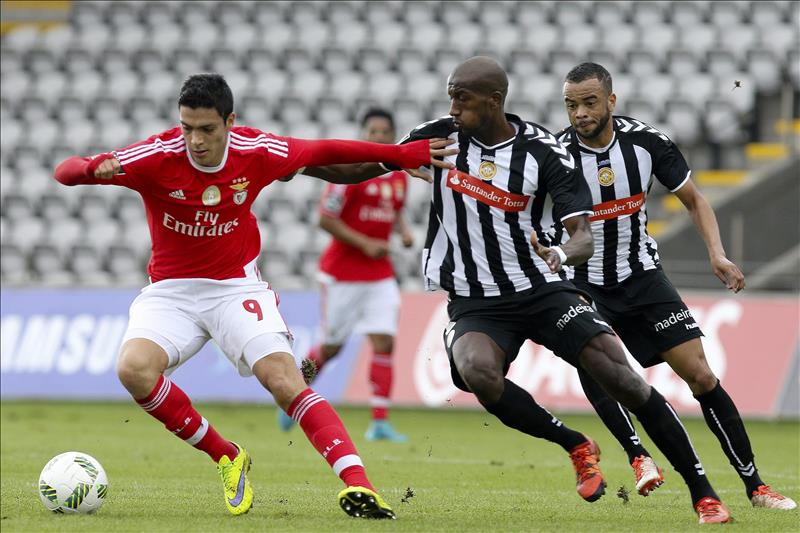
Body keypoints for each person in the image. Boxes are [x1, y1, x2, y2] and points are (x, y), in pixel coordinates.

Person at [302, 56, 734, 524]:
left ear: (492, 101)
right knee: (476, 374)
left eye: (461, 98)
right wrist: (294, 162)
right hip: (476, 298)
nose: (452, 106)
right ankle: (575, 444)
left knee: (621, 377)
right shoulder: (438, 136)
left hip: (543, 288)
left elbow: (583, 235)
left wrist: (562, 255)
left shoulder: (545, 153)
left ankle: (703, 492)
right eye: (450, 95)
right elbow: (359, 168)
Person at [52, 73, 457, 519]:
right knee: (133, 370)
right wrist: (95, 167)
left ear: (230, 121)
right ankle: (227, 455)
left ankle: (360, 486)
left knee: (284, 380)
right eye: (187, 128)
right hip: (171, 291)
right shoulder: (156, 155)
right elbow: (64, 172)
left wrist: (398, 155)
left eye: (207, 129)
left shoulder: (257, 150)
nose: (195, 140)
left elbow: (329, 152)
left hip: (235, 287)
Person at [551, 61, 797, 511]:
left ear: (611, 101)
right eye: (571, 105)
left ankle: (756, 486)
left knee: (701, 376)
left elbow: (695, 200)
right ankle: (639, 456)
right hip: (584, 282)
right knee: (598, 369)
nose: (580, 113)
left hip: (643, 276)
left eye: (588, 103)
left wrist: (717, 254)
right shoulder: (556, 155)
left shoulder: (647, 143)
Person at [278, 108, 413, 442]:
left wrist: (403, 231)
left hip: (379, 273)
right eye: (373, 131)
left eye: (385, 131)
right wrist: (365, 242)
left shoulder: (398, 176)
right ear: (364, 134)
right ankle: (291, 396)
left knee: (385, 340)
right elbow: (326, 218)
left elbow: (394, 212)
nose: (379, 137)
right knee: (331, 347)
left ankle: (379, 421)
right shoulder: (352, 172)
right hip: (343, 272)